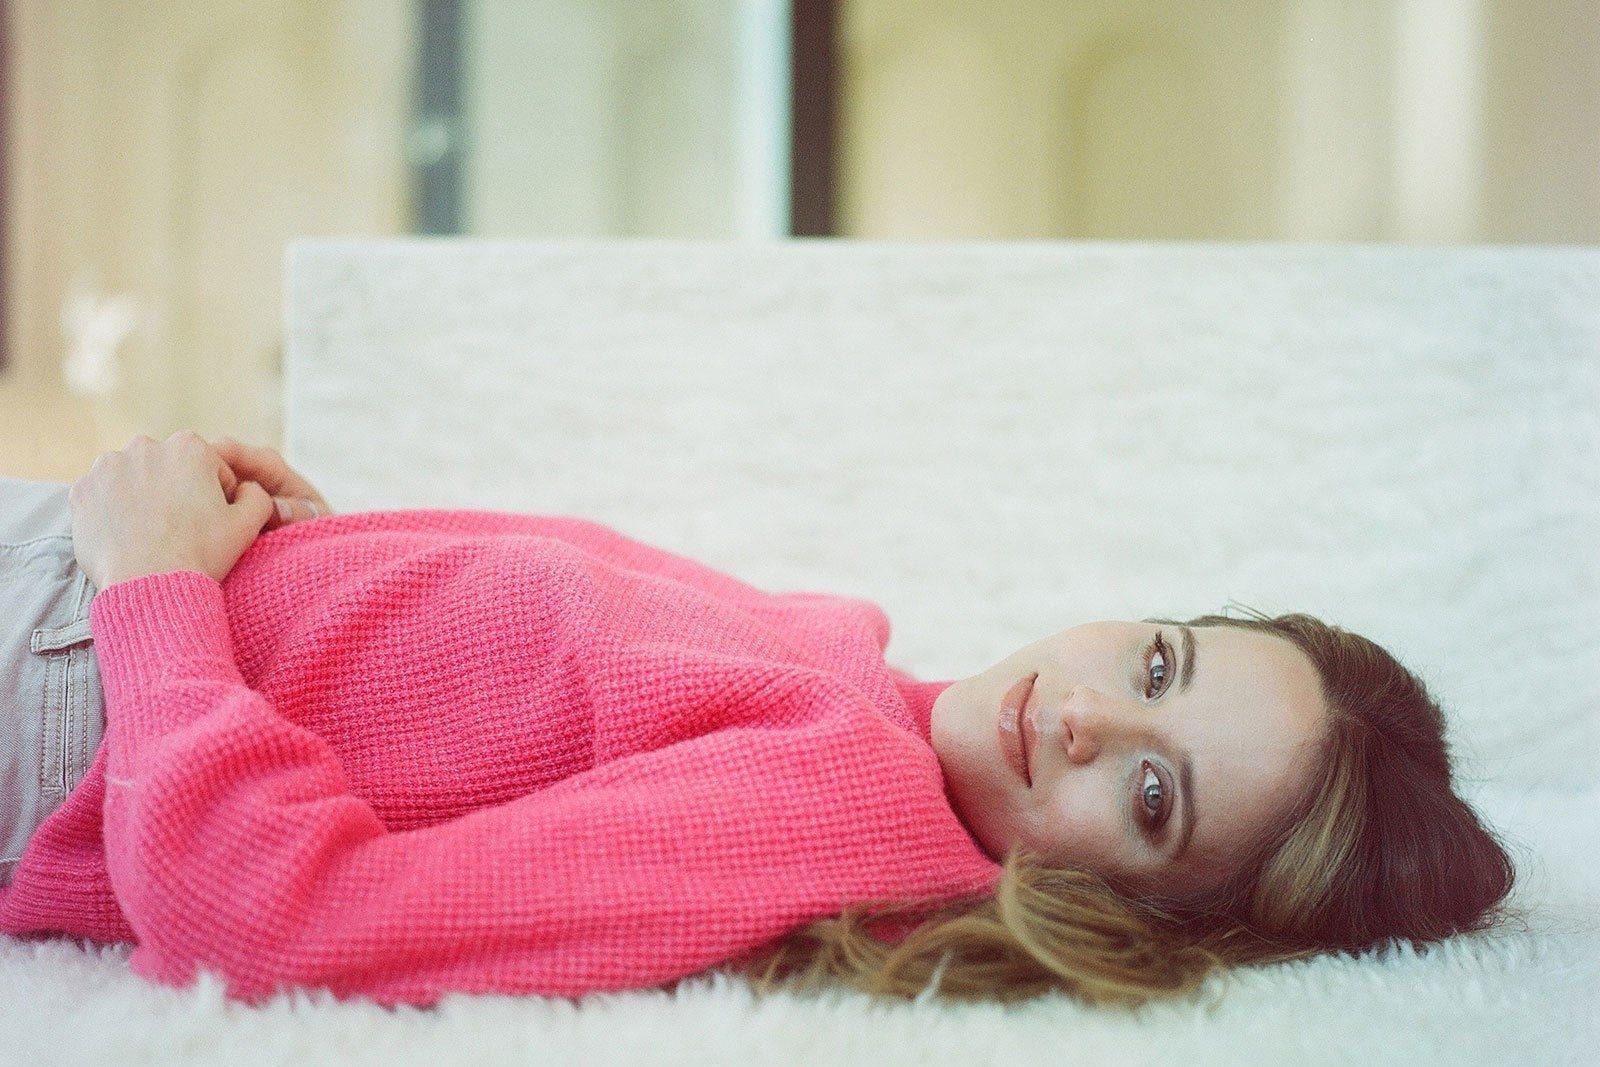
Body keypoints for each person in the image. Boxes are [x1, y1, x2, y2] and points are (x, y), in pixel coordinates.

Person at [0, 433, 1514, 1006]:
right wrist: (294, 548)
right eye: (1166, 665)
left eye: (1154, 799)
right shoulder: (877, 698)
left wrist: (150, 591)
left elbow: (275, 917)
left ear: (1135, 912)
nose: (1092, 719)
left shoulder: (843, 810)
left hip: (67, 684)